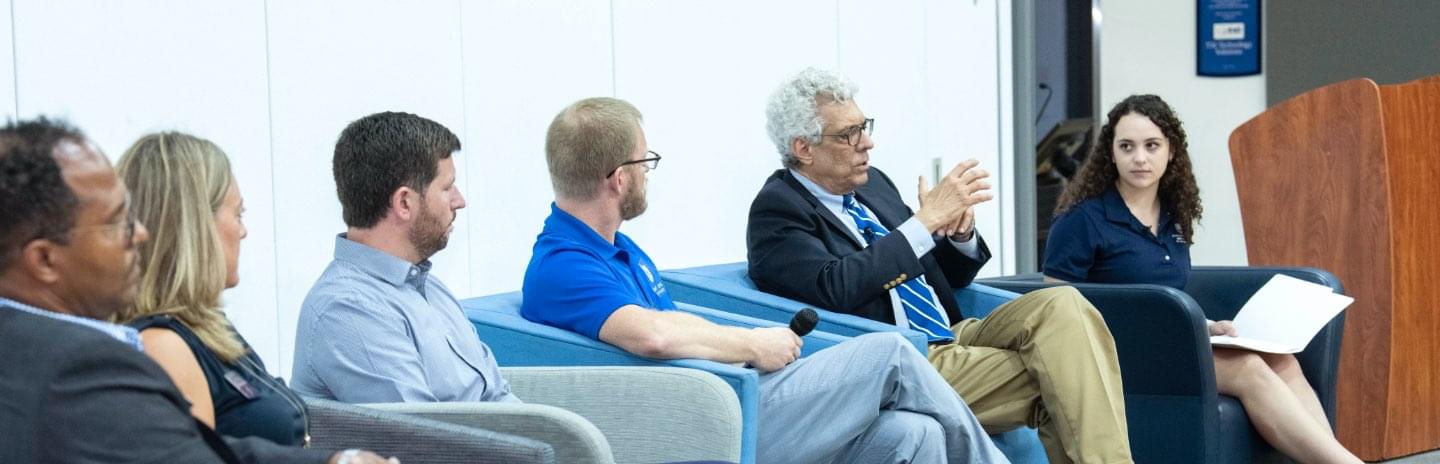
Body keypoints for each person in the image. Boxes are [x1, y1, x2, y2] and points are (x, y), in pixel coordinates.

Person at [521, 97, 1005, 463]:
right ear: (619, 179)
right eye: (646, 164)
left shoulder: (617, 249)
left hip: (732, 394)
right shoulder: (565, 263)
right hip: (714, 416)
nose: (649, 175)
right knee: (893, 353)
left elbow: (668, 326)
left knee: (913, 433)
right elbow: (653, 335)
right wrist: (752, 344)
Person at [745, 67, 1131, 464]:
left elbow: (940, 273)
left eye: (865, 126)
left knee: (1063, 304)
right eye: (849, 134)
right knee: (1073, 371)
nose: (868, 143)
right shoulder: (778, 210)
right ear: (804, 148)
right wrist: (923, 223)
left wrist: (956, 236)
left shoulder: (873, 183)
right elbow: (834, 287)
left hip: (954, 331)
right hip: (905, 361)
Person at [0, 118, 390, 464]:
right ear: (45, 260)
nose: (140, 234)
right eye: (117, 222)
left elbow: (192, 450)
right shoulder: (81, 363)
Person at [1043, 94, 1362, 464]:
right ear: (1110, 153)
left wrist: (1206, 326)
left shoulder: (1173, 215)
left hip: (1175, 342)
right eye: (1126, 147)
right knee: (1249, 370)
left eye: (1151, 146)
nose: (1139, 158)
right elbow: (1056, 305)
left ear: (1171, 151)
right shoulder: (1081, 219)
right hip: (1116, 352)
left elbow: (1166, 295)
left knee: (1284, 362)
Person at [292, 111, 518, 404]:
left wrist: (554, 441)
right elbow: (427, 438)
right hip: (462, 450)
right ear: (404, 203)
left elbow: (497, 394)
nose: (459, 200)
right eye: (447, 187)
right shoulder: (348, 310)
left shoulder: (430, 289)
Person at [115, 132, 311, 446]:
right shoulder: (163, 347)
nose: (243, 231)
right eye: (238, 214)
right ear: (195, 226)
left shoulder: (205, 327)